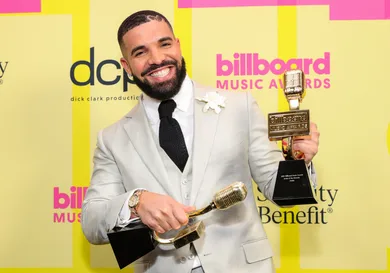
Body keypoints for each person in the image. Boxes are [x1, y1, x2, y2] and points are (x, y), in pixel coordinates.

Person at [81, 9, 320, 273]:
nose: (157, 59)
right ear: (126, 66)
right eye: (140, 52)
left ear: (178, 45)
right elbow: (93, 223)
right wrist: (136, 201)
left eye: (164, 44)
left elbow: (281, 193)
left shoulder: (239, 107)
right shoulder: (112, 139)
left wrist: (298, 161)